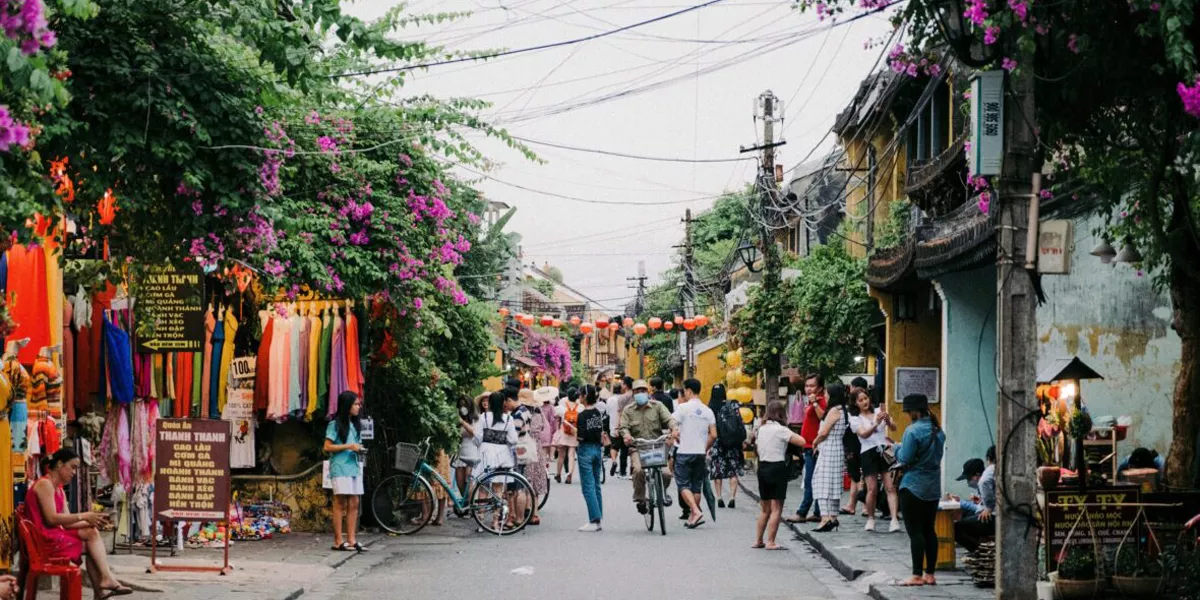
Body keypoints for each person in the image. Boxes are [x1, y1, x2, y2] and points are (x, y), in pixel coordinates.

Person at [25, 448, 131, 598]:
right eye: (72, 467)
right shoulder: (45, 484)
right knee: (91, 544)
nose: (74, 472)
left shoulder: (59, 490)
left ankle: (105, 582)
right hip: (44, 540)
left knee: (91, 531)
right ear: (60, 464)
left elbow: (67, 523)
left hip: (53, 534)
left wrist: (91, 521)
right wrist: (84, 516)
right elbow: (52, 519)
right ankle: (103, 586)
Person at [895, 393, 946, 587]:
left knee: (915, 532)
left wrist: (897, 448)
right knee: (929, 530)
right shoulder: (938, 431)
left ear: (914, 412)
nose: (908, 415)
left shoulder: (912, 431)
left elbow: (905, 459)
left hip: (913, 485)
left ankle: (916, 575)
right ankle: (930, 574)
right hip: (932, 487)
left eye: (908, 412)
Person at [749, 401, 807, 550]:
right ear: (782, 414)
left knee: (765, 508)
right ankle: (771, 541)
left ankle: (758, 540)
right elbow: (802, 441)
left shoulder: (760, 429)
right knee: (777, 508)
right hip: (777, 468)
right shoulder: (781, 430)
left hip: (762, 468)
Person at [619, 379, 678, 514]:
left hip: (656, 447)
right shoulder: (628, 410)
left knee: (667, 473)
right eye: (638, 391)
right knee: (638, 470)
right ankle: (640, 499)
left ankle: (662, 492)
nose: (641, 393)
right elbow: (624, 427)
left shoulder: (658, 406)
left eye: (643, 390)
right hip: (638, 447)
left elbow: (669, 419)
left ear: (648, 392)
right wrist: (627, 436)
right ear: (633, 393)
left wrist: (674, 429)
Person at [849, 388, 901, 533]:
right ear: (855, 403)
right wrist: (876, 423)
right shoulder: (855, 419)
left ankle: (894, 519)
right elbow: (863, 434)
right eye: (860, 400)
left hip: (884, 450)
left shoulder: (879, 411)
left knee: (890, 486)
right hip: (868, 452)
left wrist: (888, 421)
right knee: (872, 489)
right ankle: (871, 518)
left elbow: (894, 427)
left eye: (866, 398)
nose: (864, 402)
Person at [325, 390, 367, 552]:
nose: (358, 407)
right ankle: (338, 540)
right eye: (355, 404)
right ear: (347, 405)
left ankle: (352, 539)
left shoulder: (355, 425)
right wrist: (349, 446)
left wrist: (359, 449)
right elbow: (327, 446)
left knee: (354, 502)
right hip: (341, 467)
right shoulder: (334, 425)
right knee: (339, 503)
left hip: (354, 466)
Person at [673, 378, 716, 529]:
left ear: (689, 391)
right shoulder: (708, 411)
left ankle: (696, 511)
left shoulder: (682, 408)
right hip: (700, 453)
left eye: (684, 390)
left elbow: (672, 425)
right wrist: (704, 447)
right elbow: (714, 434)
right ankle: (693, 517)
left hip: (684, 451)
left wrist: (674, 433)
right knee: (696, 486)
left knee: (683, 484)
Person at [475, 390, 518, 530]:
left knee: (483, 487)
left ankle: (481, 520)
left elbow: (477, 437)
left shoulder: (484, 417)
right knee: (498, 488)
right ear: (503, 403)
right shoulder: (508, 419)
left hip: (485, 453)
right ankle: (495, 521)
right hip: (502, 454)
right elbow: (513, 440)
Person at [787, 374, 827, 524]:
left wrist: (815, 404)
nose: (808, 388)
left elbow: (824, 417)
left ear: (820, 388)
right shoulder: (812, 401)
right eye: (807, 386)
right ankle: (817, 512)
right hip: (808, 446)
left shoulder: (820, 401)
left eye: (812, 386)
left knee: (810, 480)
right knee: (815, 480)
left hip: (814, 447)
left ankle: (802, 512)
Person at [810, 382, 848, 533]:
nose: (824, 395)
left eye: (826, 392)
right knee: (833, 484)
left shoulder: (834, 410)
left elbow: (825, 432)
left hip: (829, 448)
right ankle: (833, 517)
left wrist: (815, 442)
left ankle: (825, 518)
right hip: (836, 448)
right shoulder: (841, 410)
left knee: (822, 482)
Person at [516, 387, 551, 526]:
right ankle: (535, 514)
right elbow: (543, 428)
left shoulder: (521, 414)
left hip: (525, 446)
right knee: (535, 481)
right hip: (537, 448)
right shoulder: (538, 412)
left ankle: (526, 509)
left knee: (525, 479)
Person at [707, 383, 745, 509]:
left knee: (718, 470)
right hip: (732, 442)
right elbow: (740, 422)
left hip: (717, 443)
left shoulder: (711, 407)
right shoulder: (732, 404)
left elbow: (708, 428)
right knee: (732, 469)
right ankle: (732, 498)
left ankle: (719, 497)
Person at [575, 384, 607, 532]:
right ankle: (598, 518)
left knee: (587, 486)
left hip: (586, 450)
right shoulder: (597, 413)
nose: (579, 397)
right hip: (597, 449)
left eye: (580, 395)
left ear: (584, 396)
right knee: (596, 485)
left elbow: (580, 436)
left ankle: (594, 519)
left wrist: (575, 431)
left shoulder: (581, 415)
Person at [954, 447, 996, 551]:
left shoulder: (985, 478)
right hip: (992, 514)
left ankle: (981, 552)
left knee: (956, 528)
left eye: (968, 478)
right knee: (965, 515)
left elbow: (984, 509)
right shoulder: (993, 473)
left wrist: (961, 503)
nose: (968, 482)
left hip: (994, 517)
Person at [842, 377, 869, 516]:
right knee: (857, 476)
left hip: (856, 445)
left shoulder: (854, 408)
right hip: (860, 444)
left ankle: (865, 506)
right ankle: (852, 505)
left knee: (860, 476)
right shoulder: (867, 406)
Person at [452, 394, 483, 498]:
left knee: (469, 483)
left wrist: (463, 423)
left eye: (465, 405)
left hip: (472, 453)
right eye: (460, 405)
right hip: (460, 454)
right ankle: (466, 505)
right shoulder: (457, 420)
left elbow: (474, 432)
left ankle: (472, 509)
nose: (463, 408)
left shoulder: (476, 418)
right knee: (460, 484)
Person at [607, 376, 634, 478]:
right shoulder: (636, 396)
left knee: (623, 448)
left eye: (623, 383)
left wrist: (618, 427)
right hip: (635, 425)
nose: (622, 385)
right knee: (633, 448)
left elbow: (621, 413)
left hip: (625, 425)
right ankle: (633, 470)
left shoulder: (623, 398)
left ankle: (622, 471)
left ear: (626, 385)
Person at [553, 387, 581, 484]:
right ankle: (569, 474)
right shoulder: (580, 407)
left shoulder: (562, 407)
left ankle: (558, 474)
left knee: (561, 455)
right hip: (574, 432)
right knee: (571, 455)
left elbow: (555, 415)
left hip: (564, 431)